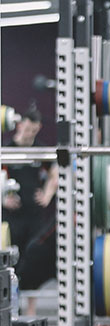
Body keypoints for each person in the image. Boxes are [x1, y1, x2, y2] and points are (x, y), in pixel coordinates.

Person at [2, 107, 58, 310]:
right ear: (19, 125)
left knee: (32, 262)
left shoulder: (40, 151)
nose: (29, 134)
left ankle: (30, 311)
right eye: (27, 129)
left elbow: (55, 174)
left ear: (38, 128)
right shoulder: (6, 149)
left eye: (33, 130)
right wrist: (3, 200)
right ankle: (10, 309)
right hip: (12, 217)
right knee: (10, 261)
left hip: (34, 216)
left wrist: (47, 194)